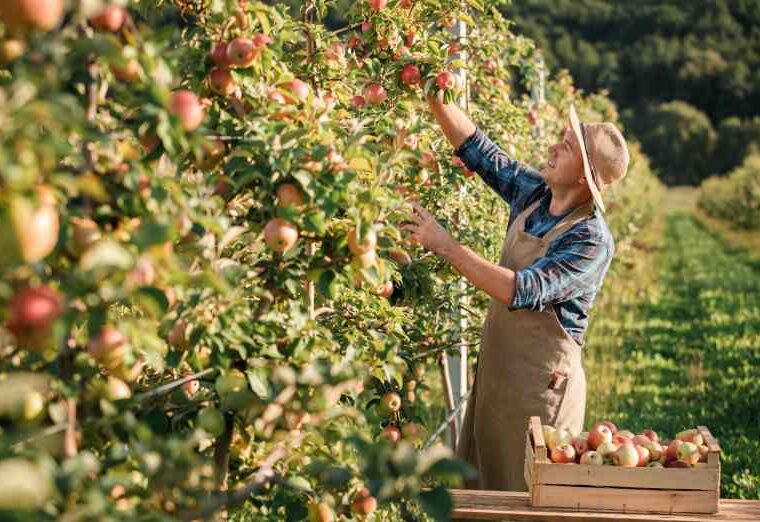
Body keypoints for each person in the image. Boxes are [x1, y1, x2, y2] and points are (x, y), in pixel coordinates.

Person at [402, 94, 630, 491]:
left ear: (585, 177)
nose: (556, 145)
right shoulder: (537, 194)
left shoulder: (590, 240)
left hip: (540, 394)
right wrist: (433, 93)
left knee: (527, 498)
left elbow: (524, 289)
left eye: (569, 145)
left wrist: (446, 245)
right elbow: (480, 152)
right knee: (480, 494)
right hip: (496, 379)